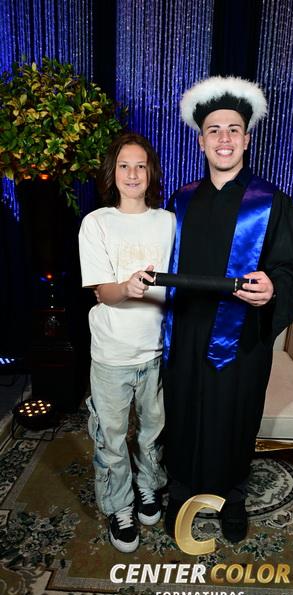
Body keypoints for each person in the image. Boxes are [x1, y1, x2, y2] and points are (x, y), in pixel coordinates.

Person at [162, 76, 293, 543]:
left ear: (247, 139)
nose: (224, 138)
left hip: (242, 334)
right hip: (186, 329)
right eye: (214, 130)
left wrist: (274, 287)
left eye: (233, 129)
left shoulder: (271, 202)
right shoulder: (180, 200)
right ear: (201, 140)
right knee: (183, 410)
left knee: (234, 416)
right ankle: (181, 491)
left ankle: (231, 496)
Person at [78, 132, 176, 553]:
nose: (132, 174)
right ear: (112, 172)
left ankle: (148, 486)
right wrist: (128, 287)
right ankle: (120, 506)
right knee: (112, 438)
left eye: (140, 165)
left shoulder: (168, 222)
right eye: (124, 165)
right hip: (112, 354)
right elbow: (103, 292)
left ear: (151, 171)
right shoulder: (96, 222)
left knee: (153, 431)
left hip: (155, 351)